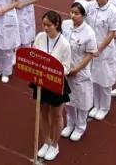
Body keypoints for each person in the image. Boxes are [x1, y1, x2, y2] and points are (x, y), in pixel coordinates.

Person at [33, 10, 73, 162]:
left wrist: (52, 69)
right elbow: (34, 54)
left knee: (56, 115)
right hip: (41, 81)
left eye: (48, 25)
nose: (45, 28)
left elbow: (66, 68)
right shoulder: (40, 37)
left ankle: (55, 145)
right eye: (44, 24)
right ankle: (46, 141)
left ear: (57, 24)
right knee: (43, 112)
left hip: (56, 83)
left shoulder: (64, 44)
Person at [61, 0, 98, 142]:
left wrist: (76, 69)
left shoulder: (89, 33)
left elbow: (90, 54)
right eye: (71, 12)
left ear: (84, 15)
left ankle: (80, 127)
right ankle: (70, 124)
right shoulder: (65, 25)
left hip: (80, 72)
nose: (73, 16)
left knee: (82, 101)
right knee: (68, 99)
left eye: (76, 13)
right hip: (65, 69)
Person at [86, 0, 116, 121]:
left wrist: (99, 48)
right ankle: (96, 104)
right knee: (93, 78)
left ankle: (104, 107)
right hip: (90, 48)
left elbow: (112, 33)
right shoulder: (90, 6)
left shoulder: (113, 12)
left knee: (104, 81)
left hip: (104, 50)